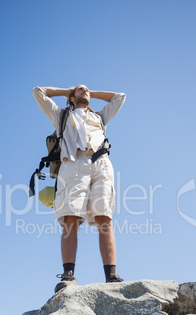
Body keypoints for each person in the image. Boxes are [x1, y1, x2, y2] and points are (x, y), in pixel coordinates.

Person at [32, 84, 126, 293]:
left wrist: (90, 92)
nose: (84, 90)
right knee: (71, 218)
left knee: (105, 218)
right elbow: (38, 91)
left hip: (101, 164)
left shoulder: (100, 117)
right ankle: (69, 275)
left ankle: (111, 276)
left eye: (86, 90)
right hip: (73, 164)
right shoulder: (61, 116)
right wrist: (68, 91)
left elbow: (119, 97)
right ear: (72, 98)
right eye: (80, 90)